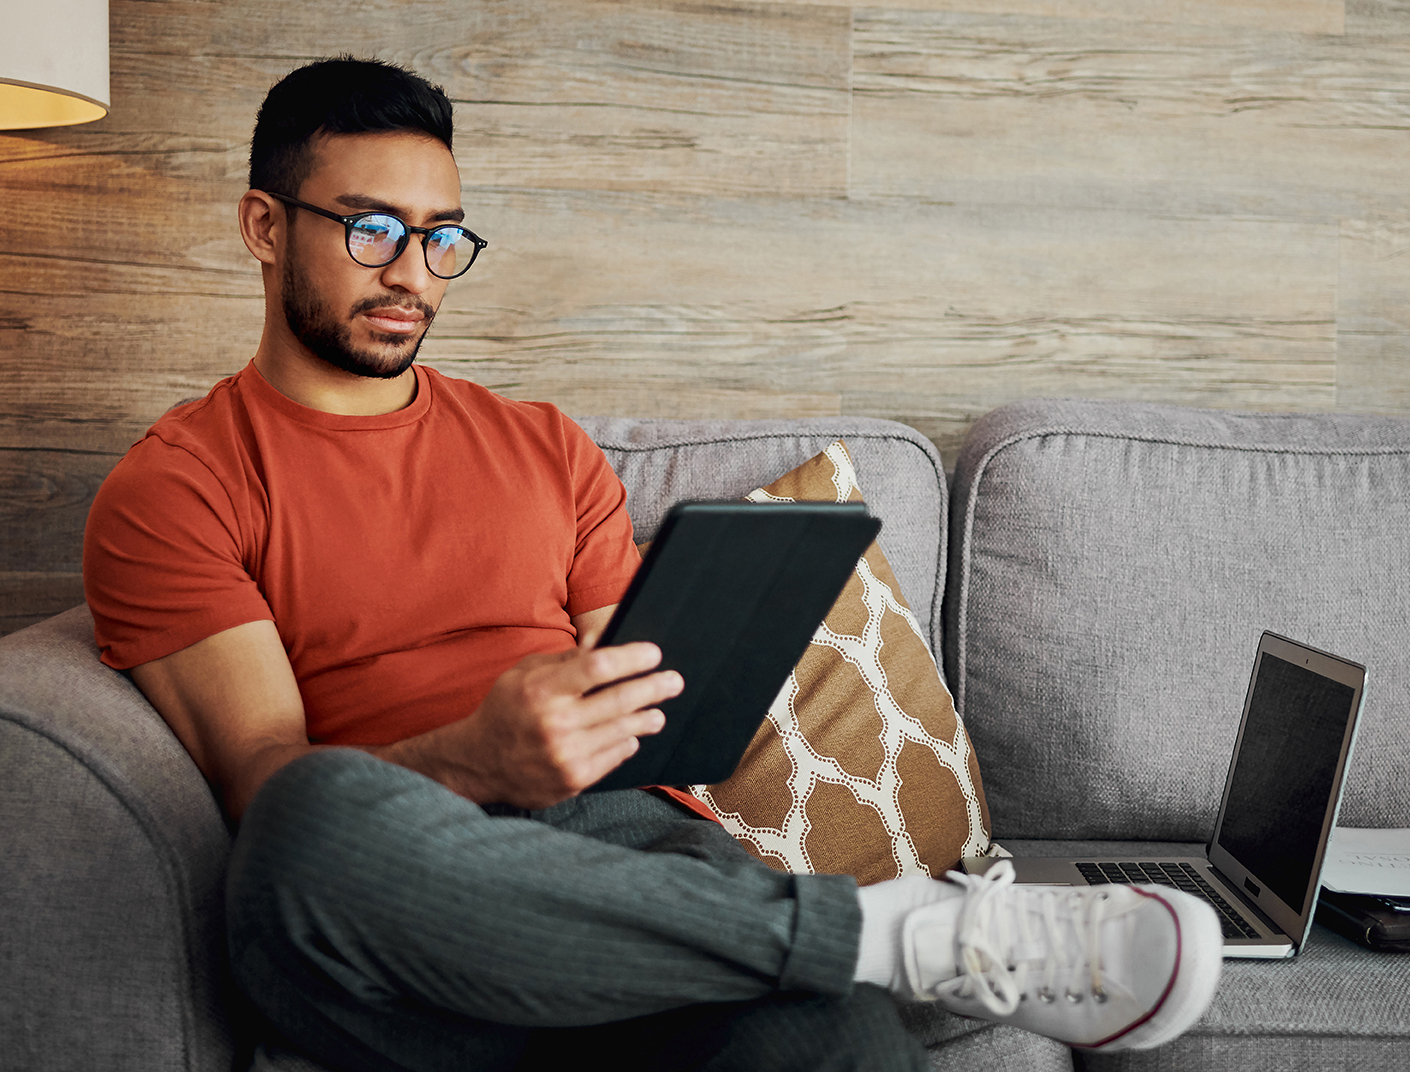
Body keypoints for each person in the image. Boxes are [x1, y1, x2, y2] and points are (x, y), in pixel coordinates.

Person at [82, 57, 1222, 1072]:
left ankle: (862, 949)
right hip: (402, 908)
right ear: (265, 226)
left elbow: (641, 695)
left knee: (834, 1039)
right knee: (308, 819)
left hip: (626, 861)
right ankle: (899, 935)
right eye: (372, 229)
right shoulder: (179, 484)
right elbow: (263, 777)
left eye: (442, 237)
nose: (413, 275)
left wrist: (624, 704)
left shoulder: (543, 446)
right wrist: (476, 757)